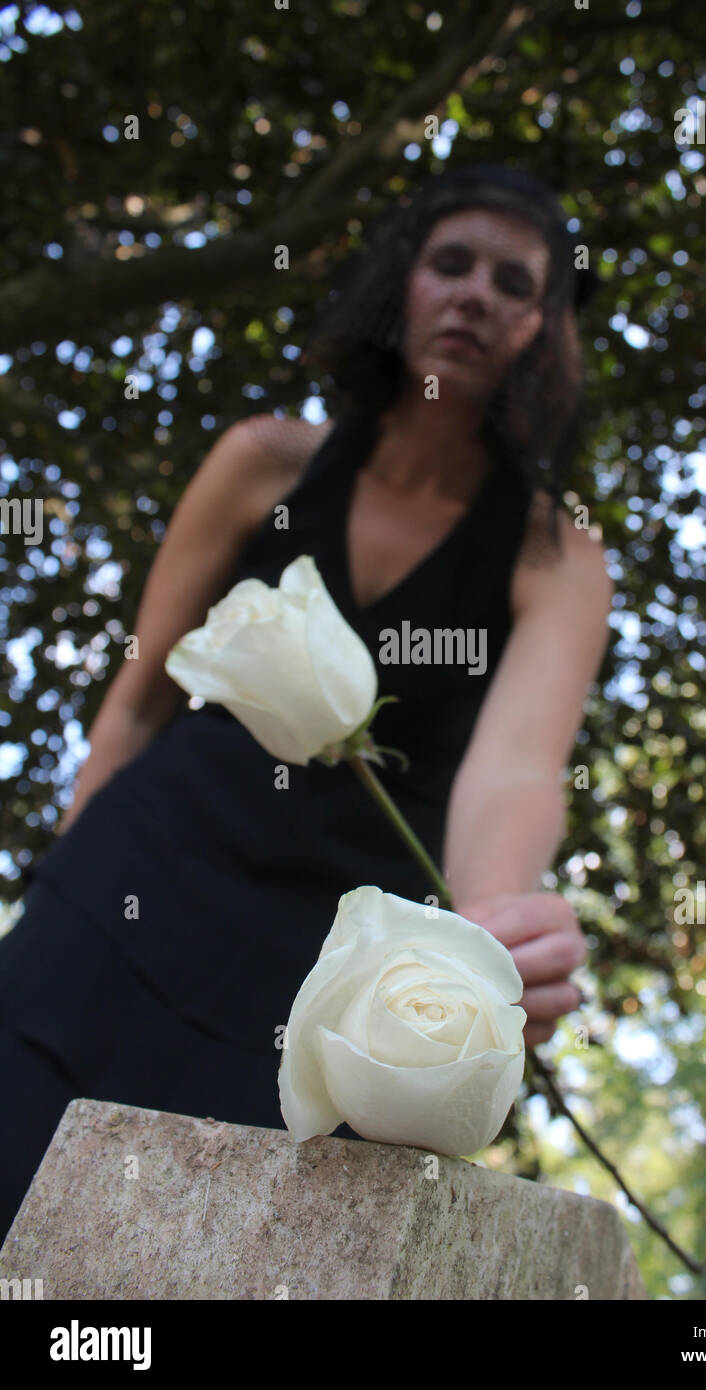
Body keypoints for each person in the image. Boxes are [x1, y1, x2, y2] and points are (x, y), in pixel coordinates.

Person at [0, 163, 613, 1242]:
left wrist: (484, 936)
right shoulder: (259, 464)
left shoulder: (553, 555)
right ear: (402, 288)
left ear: (544, 331)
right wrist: (70, 873)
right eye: (449, 262)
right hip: (134, 876)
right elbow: (139, 698)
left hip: (333, 962)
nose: (474, 293)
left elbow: (515, 766)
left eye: (514, 283)